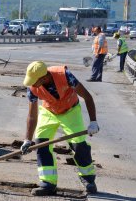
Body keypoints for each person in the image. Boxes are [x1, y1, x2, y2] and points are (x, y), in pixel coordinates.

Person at [21, 61, 99, 196]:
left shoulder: (65, 75)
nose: (32, 84)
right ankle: (48, 183)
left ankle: (88, 179)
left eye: (34, 81)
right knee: (41, 143)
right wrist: (27, 139)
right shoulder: (32, 88)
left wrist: (93, 122)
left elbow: (87, 96)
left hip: (70, 110)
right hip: (49, 111)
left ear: (44, 78)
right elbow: (32, 115)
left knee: (79, 144)